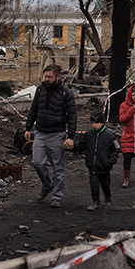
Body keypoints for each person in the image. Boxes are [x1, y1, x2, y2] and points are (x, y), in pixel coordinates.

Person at [24, 64, 77, 208]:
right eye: (45, 76)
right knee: (37, 162)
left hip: (57, 134)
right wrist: (28, 128)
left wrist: (70, 136)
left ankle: (57, 196)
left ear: (58, 77)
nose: (47, 79)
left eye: (50, 77)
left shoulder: (66, 92)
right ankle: (47, 185)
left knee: (57, 167)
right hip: (40, 132)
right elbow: (33, 109)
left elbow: (72, 116)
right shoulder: (40, 89)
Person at [75, 110, 120, 211]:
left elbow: (116, 149)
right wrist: (72, 146)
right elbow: (81, 146)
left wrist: (110, 161)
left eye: (97, 123)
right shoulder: (89, 134)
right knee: (94, 185)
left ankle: (108, 197)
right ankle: (95, 201)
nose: (94, 125)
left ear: (102, 123)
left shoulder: (109, 135)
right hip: (93, 166)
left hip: (104, 167)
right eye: (93, 123)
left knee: (105, 184)